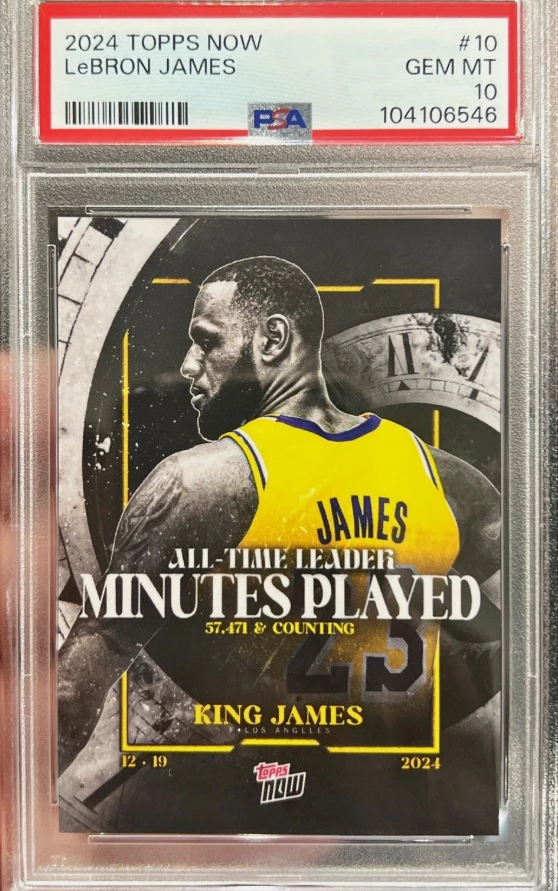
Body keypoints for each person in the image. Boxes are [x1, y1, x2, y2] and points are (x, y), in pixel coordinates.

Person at [58, 255, 501, 775]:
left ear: (272, 339)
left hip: (257, 804)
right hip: (400, 806)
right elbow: (521, 647)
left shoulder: (199, 482)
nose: (188, 366)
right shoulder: (448, 480)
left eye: (206, 341)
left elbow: (69, 697)